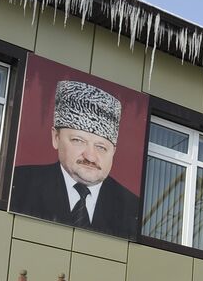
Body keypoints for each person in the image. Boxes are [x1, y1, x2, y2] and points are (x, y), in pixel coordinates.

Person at [10, 80, 140, 238]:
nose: (90, 157)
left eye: (101, 147)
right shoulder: (20, 183)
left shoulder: (132, 208)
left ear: (113, 152)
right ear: (56, 138)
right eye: (78, 141)